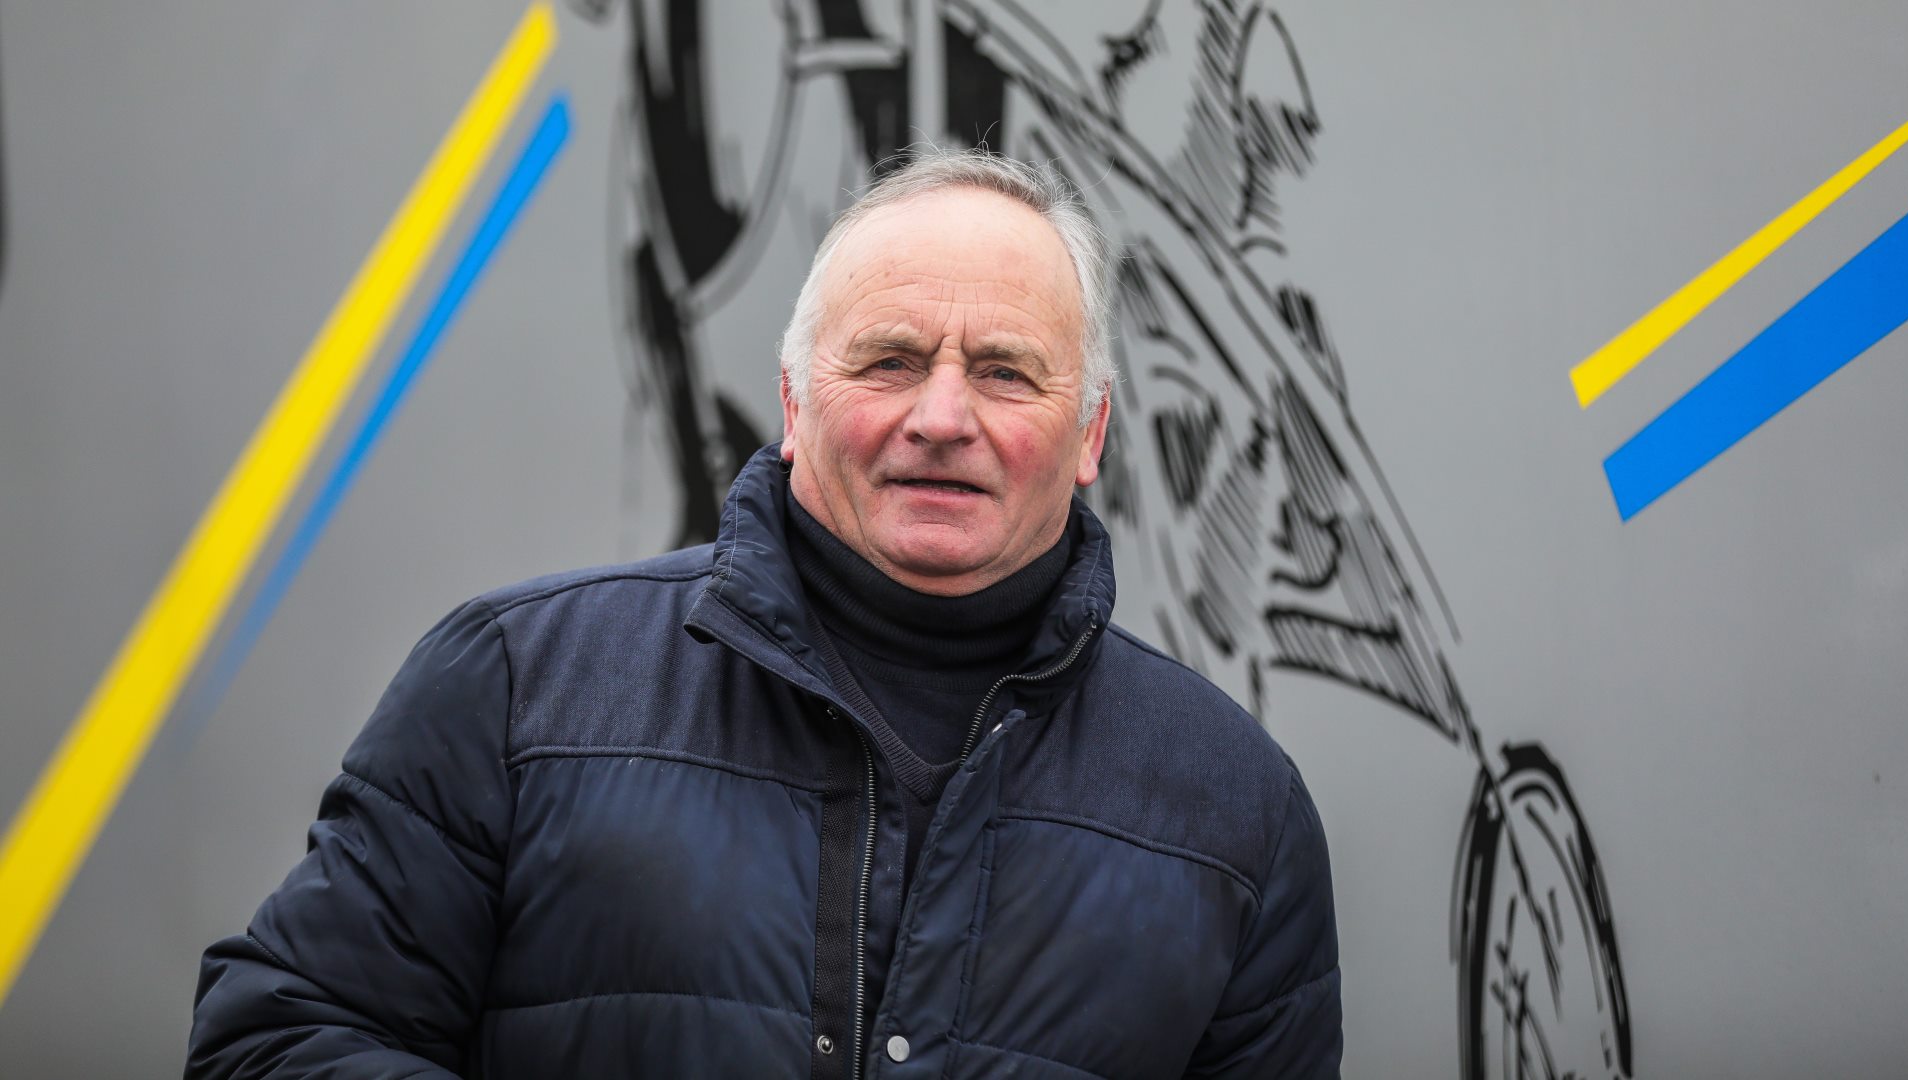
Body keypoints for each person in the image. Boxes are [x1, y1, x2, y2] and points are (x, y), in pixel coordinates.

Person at [186, 148, 1341, 1078]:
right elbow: (274, 1041)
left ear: (1090, 434)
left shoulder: (1238, 809)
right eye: (890, 362)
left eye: (1004, 371)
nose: (943, 416)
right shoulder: (516, 688)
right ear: (794, 404)